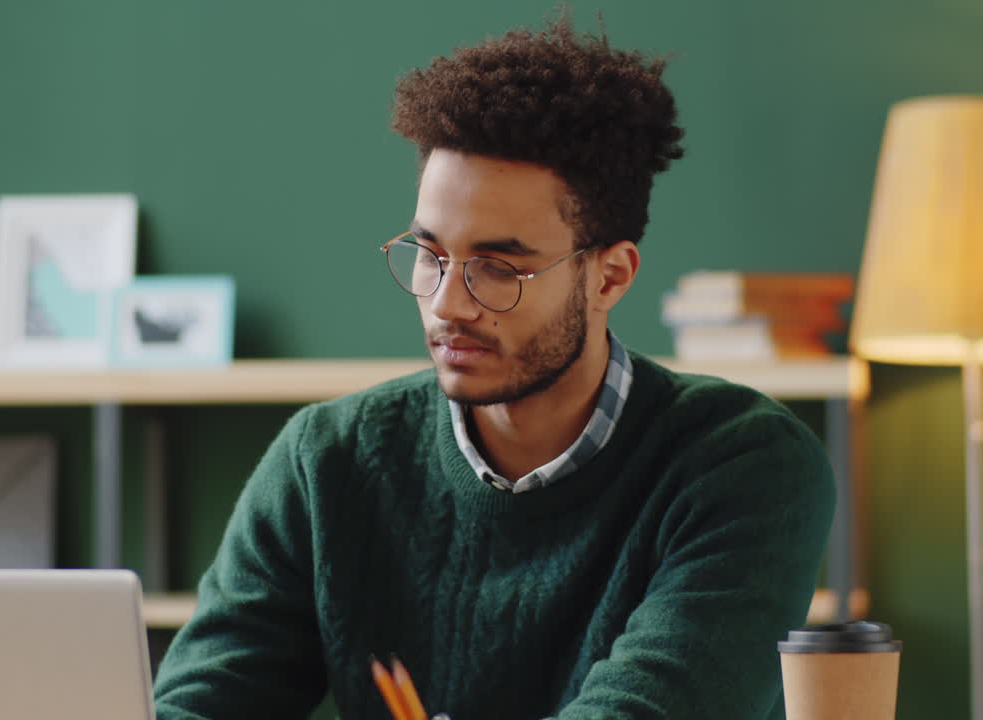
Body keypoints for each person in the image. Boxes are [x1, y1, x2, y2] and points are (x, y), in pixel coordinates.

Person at [153, 13, 834, 720]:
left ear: (609, 278)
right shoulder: (326, 462)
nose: (448, 304)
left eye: (499, 267)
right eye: (430, 255)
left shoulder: (744, 464)